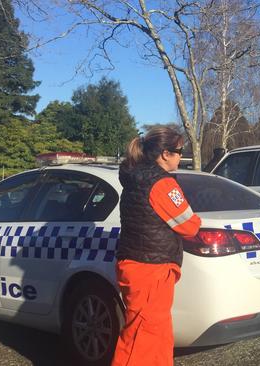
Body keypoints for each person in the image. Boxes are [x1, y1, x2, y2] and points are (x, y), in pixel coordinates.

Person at [112, 127, 201, 366]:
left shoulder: (137, 179)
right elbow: (190, 225)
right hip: (150, 270)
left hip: (141, 266)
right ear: (164, 154)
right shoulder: (162, 184)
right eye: (179, 151)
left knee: (157, 336)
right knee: (141, 341)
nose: (181, 156)